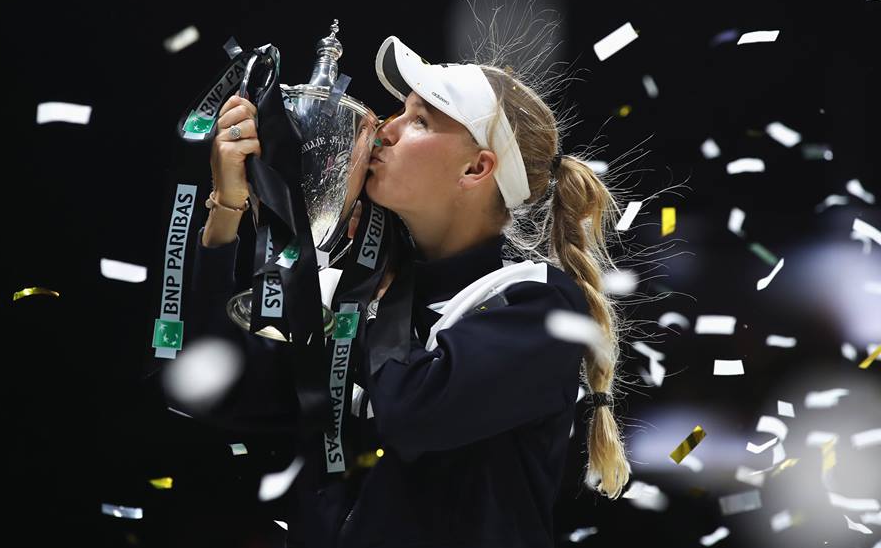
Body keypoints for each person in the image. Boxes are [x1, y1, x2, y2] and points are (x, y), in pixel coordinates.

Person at [170, 35, 630, 548]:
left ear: (476, 169)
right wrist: (226, 212)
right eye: (400, 112)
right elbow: (214, 384)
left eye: (420, 120)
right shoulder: (350, 296)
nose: (382, 129)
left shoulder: (538, 305)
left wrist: (373, 287)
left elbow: (414, 414)